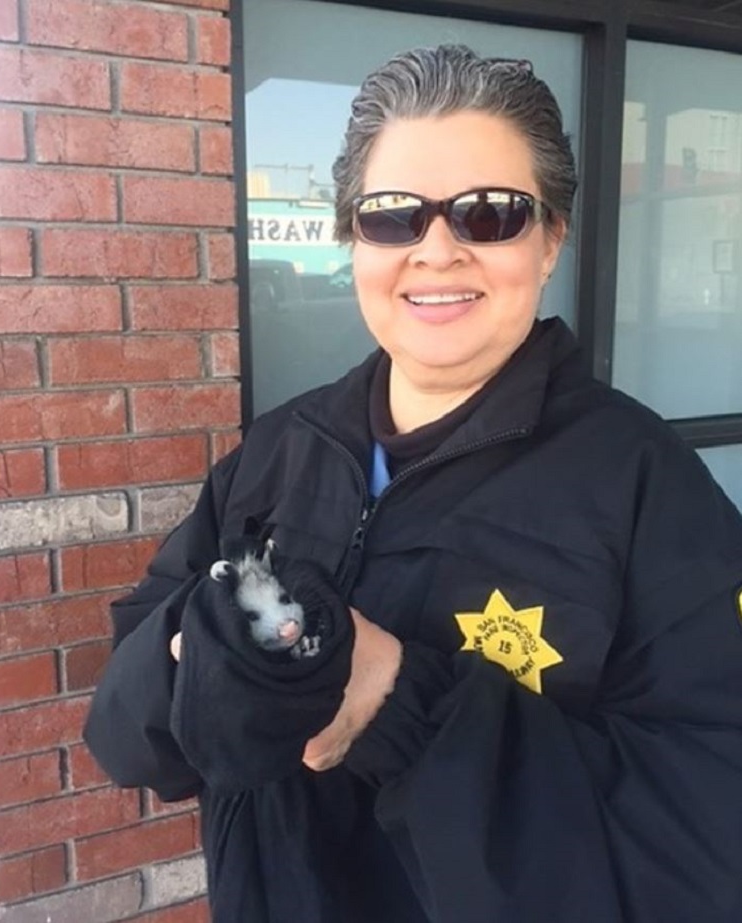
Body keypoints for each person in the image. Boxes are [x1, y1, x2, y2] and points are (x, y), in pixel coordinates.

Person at [84, 45, 742, 923]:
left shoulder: (650, 490)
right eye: (393, 216)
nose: (437, 250)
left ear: (551, 240)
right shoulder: (279, 449)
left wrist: (402, 700)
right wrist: (190, 651)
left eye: (492, 214)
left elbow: (707, 847)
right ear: (352, 241)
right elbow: (125, 739)